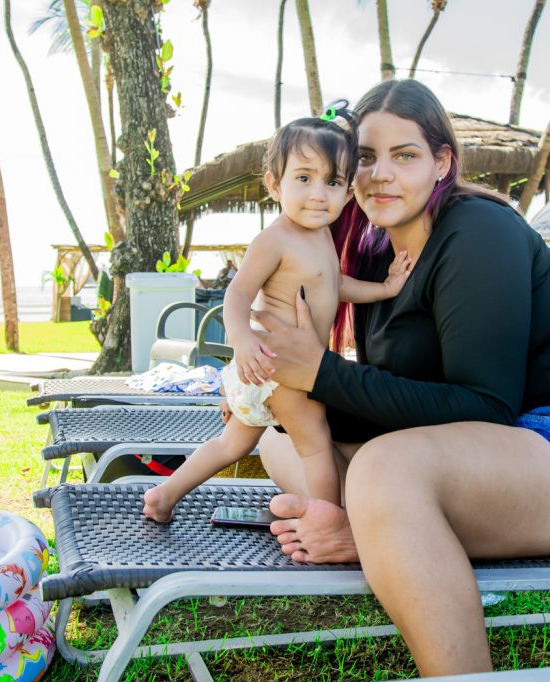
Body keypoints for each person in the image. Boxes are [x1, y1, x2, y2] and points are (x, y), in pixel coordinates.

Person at [248, 79, 550, 677]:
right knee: (283, 436)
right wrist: (284, 395)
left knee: (383, 467)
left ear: (441, 162)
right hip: (465, 457)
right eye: (366, 158)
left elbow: (486, 406)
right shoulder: (379, 260)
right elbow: (397, 403)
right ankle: (383, 526)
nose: (380, 174)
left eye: (404, 155)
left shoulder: (480, 232)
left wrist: (320, 373)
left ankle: (374, 529)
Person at [142, 109, 412, 523]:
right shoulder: (274, 240)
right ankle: (326, 519)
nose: (318, 194)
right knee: (316, 445)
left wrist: (385, 289)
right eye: (304, 179)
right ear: (274, 184)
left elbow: (334, 284)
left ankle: (164, 495)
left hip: (271, 370)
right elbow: (237, 294)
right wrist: (242, 340)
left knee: (230, 446)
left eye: (333, 182)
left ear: (347, 190)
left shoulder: (321, 235)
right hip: (279, 368)